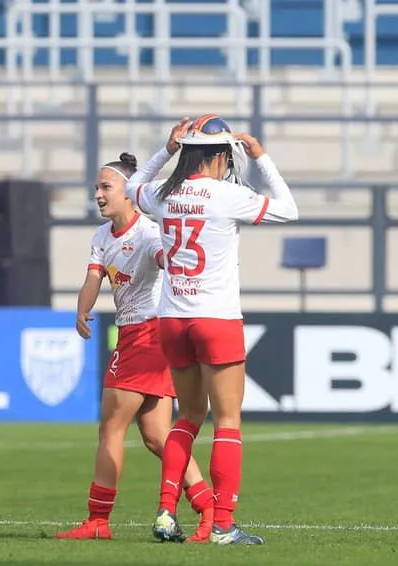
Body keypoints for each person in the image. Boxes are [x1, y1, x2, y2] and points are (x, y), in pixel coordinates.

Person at [124, 114, 299, 545]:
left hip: (173, 318)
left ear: (186, 153)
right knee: (228, 423)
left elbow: (131, 189)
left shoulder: (164, 194)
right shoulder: (228, 196)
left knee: (186, 418)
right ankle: (222, 524)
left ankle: (166, 511)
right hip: (216, 318)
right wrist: (261, 158)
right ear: (222, 155)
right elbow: (288, 209)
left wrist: (165, 150)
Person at [55, 124, 215, 543]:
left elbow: (169, 259)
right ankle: (207, 509)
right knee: (158, 436)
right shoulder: (102, 236)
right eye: (95, 187)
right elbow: (93, 276)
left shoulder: (148, 233)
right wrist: (82, 309)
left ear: (129, 191)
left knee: (111, 427)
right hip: (142, 337)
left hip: (147, 335)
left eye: (105, 186)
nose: (97, 194)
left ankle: (97, 520)